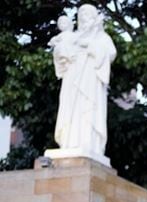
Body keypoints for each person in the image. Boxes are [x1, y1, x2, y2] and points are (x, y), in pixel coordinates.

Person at [51, 4, 116, 156]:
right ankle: (68, 143)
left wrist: (91, 45)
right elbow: (59, 52)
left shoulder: (101, 37)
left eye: (87, 14)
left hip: (90, 78)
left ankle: (89, 144)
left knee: (88, 109)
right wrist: (65, 53)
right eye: (81, 14)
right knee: (70, 108)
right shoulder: (73, 36)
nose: (83, 17)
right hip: (72, 77)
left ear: (93, 17)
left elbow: (111, 53)